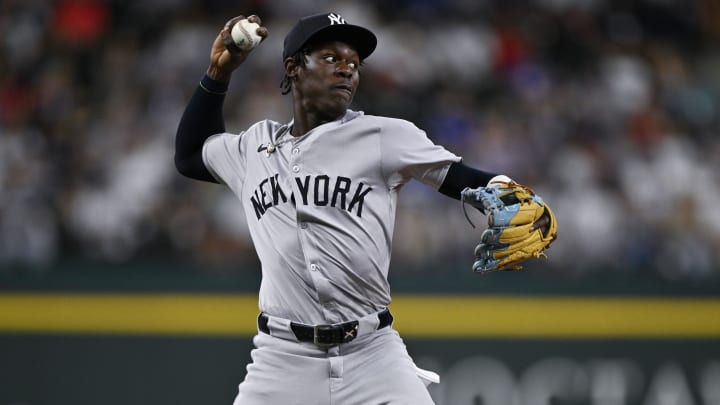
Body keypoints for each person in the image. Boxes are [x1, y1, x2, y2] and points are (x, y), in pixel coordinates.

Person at [175, 12, 551, 404]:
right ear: (293, 69)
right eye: (331, 59)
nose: (346, 71)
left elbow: (462, 176)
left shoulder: (383, 136)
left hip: (373, 354)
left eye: (354, 64)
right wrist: (218, 73)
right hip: (282, 358)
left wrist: (513, 194)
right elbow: (188, 156)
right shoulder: (254, 147)